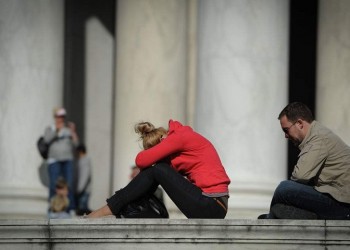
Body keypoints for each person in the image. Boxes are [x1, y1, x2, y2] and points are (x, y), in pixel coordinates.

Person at [87, 119, 231, 219]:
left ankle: (109, 209)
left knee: (158, 169)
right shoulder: (179, 148)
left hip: (212, 204)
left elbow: (141, 160)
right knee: (156, 170)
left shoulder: (180, 137)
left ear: (162, 141)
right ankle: (119, 207)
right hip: (211, 205)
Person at [259, 102, 350, 219]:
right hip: (336, 200)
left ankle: (269, 220)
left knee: (284, 188)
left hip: (342, 205)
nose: (286, 136)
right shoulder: (317, 135)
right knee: (280, 209)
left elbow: (300, 176)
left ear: (300, 124)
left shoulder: (318, 138)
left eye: (286, 130)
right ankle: (273, 216)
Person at [43, 107, 79, 213]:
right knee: (54, 184)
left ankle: (70, 208)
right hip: (54, 160)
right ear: (55, 117)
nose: (61, 119)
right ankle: (53, 208)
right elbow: (46, 140)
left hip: (67, 159)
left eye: (63, 116)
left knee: (69, 184)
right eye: (59, 116)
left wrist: (73, 132)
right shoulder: (50, 128)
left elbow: (76, 144)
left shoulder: (68, 129)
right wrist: (57, 131)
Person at [75, 143, 92, 215]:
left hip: (83, 191)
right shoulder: (82, 161)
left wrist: (79, 189)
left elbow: (84, 176)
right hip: (82, 191)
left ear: (80, 151)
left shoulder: (85, 161)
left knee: (82, 212)